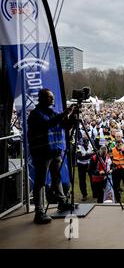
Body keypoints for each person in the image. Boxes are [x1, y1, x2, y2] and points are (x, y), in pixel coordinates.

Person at [27, 88, 76, 224]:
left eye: (53, 97)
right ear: (42, 98)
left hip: (55, 151)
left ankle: (62, 202)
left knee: (57, 178)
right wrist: (64, 113)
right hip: (42, 153)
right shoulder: (36, 114)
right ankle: (39, 211)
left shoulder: (53, 113)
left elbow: (65, 127)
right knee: (40, 182)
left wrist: (72, 117)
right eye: (49, 97)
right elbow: (47, 124)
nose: (52, 99)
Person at [110, 131, 124, 202]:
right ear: (115, 137)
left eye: (119, 136)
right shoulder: (111, 145)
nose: (118, 138)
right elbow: (110, 158)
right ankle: (117, 199)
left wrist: (123, 151)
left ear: (121, 137)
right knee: (116, 185)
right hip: (116, 169)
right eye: (117, 136)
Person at [76, 131, 94, 201]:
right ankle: (84, 194)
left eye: (87, 135)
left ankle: (94, 193)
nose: (86, 136)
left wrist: (85, 155)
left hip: (90, 163)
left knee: (92, 178)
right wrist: (89, 155)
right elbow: (79, 156)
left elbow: (95, 153)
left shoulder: (91, 142)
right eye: (84, 135)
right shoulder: (78, 144)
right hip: (81, 164)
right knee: (82, 180)